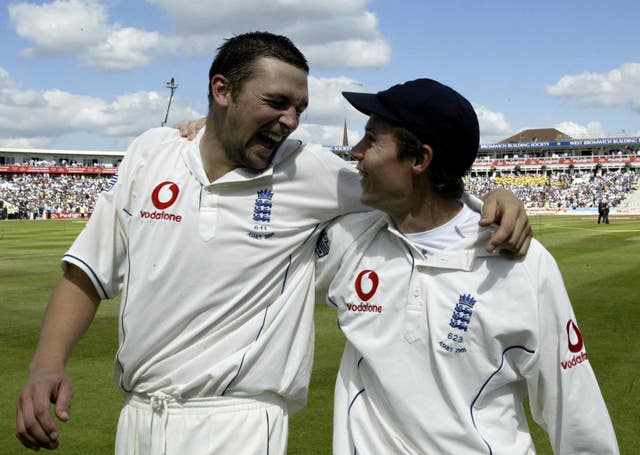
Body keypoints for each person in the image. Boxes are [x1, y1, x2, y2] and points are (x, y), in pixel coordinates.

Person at [16, 32, 531, 454]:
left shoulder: (310, 169)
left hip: (237, 422)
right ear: (222, 91)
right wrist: (46, 366)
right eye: (276, 103)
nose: (290, 121)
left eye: (299, 109)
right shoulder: (152, 153)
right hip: (139, 418)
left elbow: (413, 182)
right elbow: (87, 269)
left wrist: (493, 194)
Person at [315, 79, 619, 454]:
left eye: (371, 140)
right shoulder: (351, 241)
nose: (355, 152)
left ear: (419, 160)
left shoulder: (522, 264)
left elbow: (573, 408)